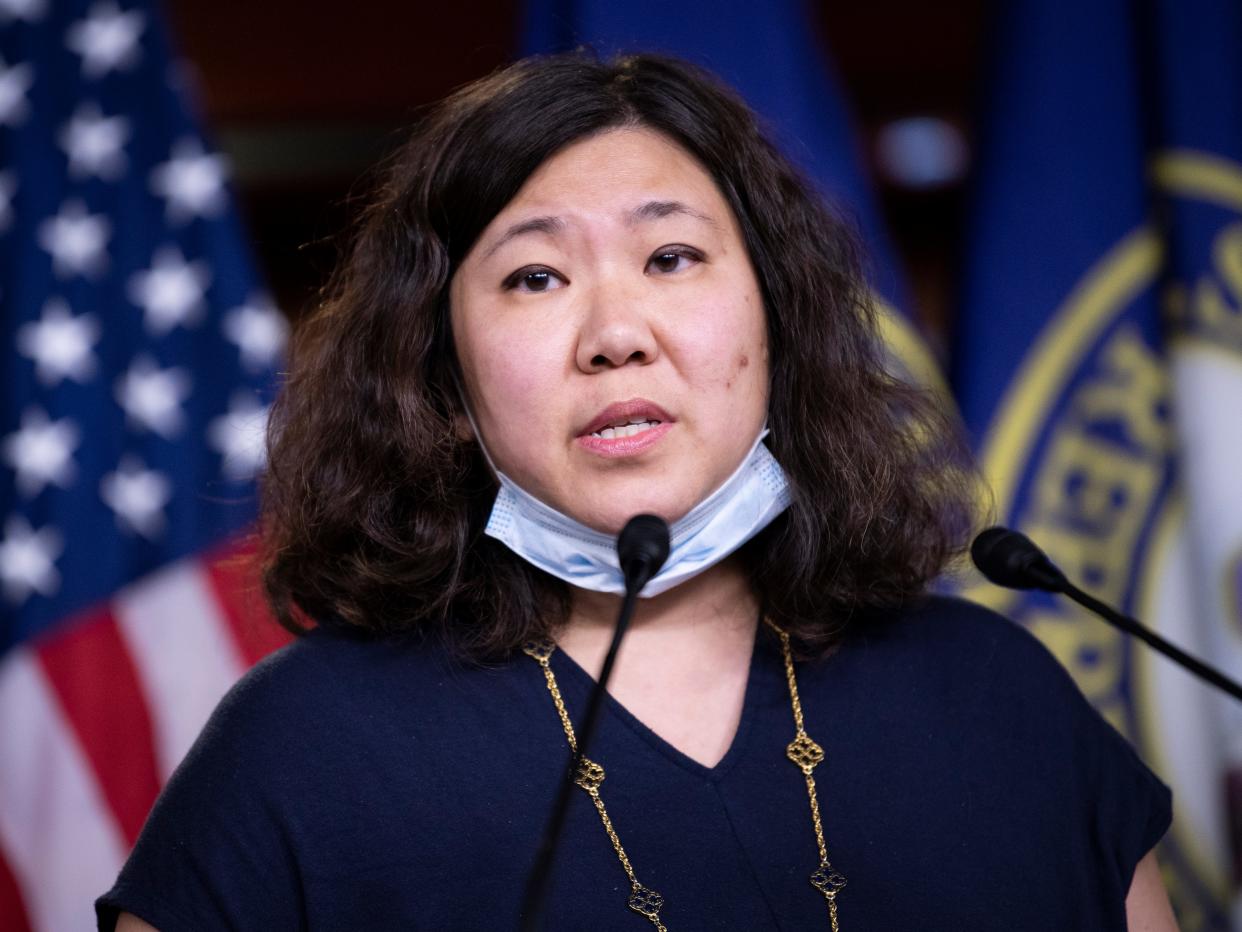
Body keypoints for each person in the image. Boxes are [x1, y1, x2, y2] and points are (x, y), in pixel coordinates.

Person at [98, 52, 1176, 931]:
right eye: (536, 277)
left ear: (773, 325)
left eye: (671, 256)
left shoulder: (1004, 698)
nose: (617, 335)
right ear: (444, 382)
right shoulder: (300, 748)